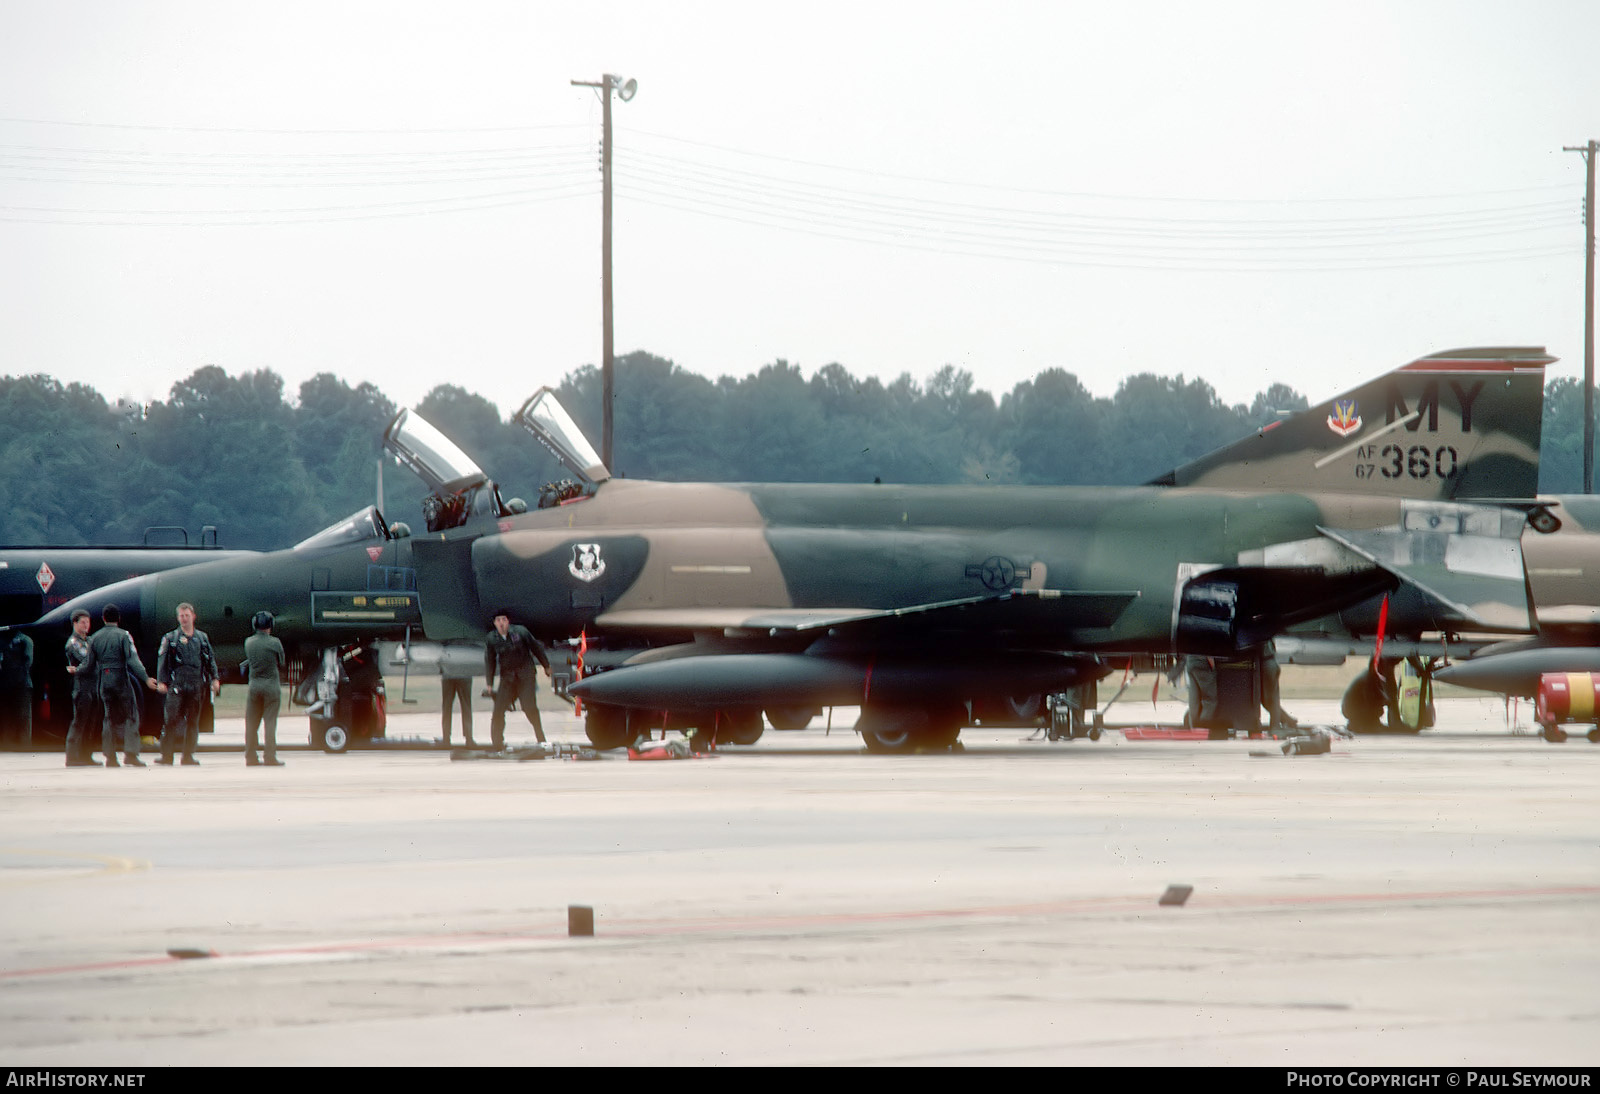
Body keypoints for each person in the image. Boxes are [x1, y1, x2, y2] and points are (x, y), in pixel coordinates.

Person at [78, 604, 158, 767]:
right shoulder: (124, 635)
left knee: (109, 718)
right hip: (120, 679)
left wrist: (76, 670)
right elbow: (132, 660)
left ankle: (110, 757)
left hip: (103, 681)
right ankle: (131, 754)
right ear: (119, 618)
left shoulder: (95, 638)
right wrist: (146, 678)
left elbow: (88, 664)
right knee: (131, 716)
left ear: (103, 619)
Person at [154, 602, 219, 765]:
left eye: (187, 615)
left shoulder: (202, 638)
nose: (184, 619)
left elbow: (210, 660)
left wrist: (215, 678)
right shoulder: (171, 638)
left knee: (193, 722)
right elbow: (163, 661)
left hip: (196, 684)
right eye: (181, 616)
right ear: (178, 618)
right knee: (171, 721)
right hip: (177, 685)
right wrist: (162, 681)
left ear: (193, 617)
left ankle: (188, 756)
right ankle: (166, 756)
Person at [484, 611, 550, 749]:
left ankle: (541, 738)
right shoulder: (492, 638)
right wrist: (489, 683)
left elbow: (536, 648)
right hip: (507, 678)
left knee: (529, 707)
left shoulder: (521, 632)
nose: (501, 623)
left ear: (508, 621)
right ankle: (497, 743)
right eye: (498, 620)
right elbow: (490, 661)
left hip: (525, 676)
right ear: (494, 623)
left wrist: (546, 666)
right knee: (498, 710)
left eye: (503, 620)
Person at [242, 611, 285, 766]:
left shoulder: (249, 642)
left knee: (252, 723)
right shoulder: (275, 643)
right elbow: (282, 662)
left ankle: (250, 757)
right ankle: (270, 756)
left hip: (254, 685)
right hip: (271, 685)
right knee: (270, 722)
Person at [63, 609, 102, 765]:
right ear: (75, 623)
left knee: (91, 722)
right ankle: (72, 757)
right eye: (83, 622)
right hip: (82, 686)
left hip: (93, 685)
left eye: (88, 622)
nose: (86, 625)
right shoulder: (74, 642)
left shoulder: (90, 641)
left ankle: (86, 755)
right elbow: (87, 660)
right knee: (79, 722)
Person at [0, 628, 34, 749]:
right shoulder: (3, 641)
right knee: (6, 717)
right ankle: (7, 744)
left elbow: (28, 662)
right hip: (6, 685)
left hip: (22, 685)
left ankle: (24, 746)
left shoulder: (25, 640)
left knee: (23, 717)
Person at [440, 652, 476, 747]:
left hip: (460, 675)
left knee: (462, 707)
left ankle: (467, 738)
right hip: (452, 675)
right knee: (450, 707)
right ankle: (448, 738)